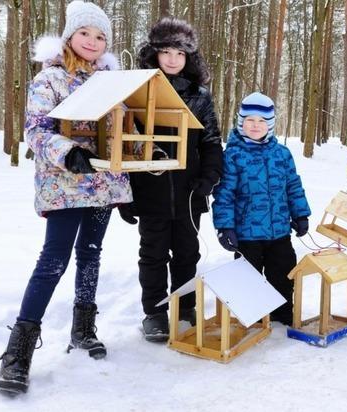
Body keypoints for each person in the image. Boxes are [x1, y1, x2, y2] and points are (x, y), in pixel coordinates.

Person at [0, 1, 132, 395]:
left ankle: (83, 328)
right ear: (70, 36)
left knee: (90, 253)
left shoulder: (112, 82)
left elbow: (125, 131)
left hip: (102, 185)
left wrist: (137, 168)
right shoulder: (49, 80)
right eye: (85, 33)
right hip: (65, 183)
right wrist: (66, 150)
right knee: (53, 260)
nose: (92, 41)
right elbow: (35, 130)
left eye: (100, 36)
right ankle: (17, 352)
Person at [118, 17, 223, 342]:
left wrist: (209, 178)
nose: (173, 58)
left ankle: (185, 305)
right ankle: (155, 312)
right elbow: (123, 143)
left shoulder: (199, 96)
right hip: (150, 193)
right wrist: (125, 193)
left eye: (180, 52)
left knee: (187, 254)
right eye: (166, 51)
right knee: (153, 254)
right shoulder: (137, 92)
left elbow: (211, 143)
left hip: (190, 193)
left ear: (189, 56)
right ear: (154, 55)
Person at [212, 92, 311, 326]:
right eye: (250, 120)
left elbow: (293, 185)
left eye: (262, 121)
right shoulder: (233, 156)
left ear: (270, 124)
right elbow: (224, 194)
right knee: (249, 278)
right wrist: (225, 227)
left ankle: (282, 313)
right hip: (246, 234)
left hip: (279, 231)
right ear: (241, 122)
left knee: (284, 273)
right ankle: (254, 318)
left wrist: (300, 214)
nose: (256, 126)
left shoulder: (282, 154)